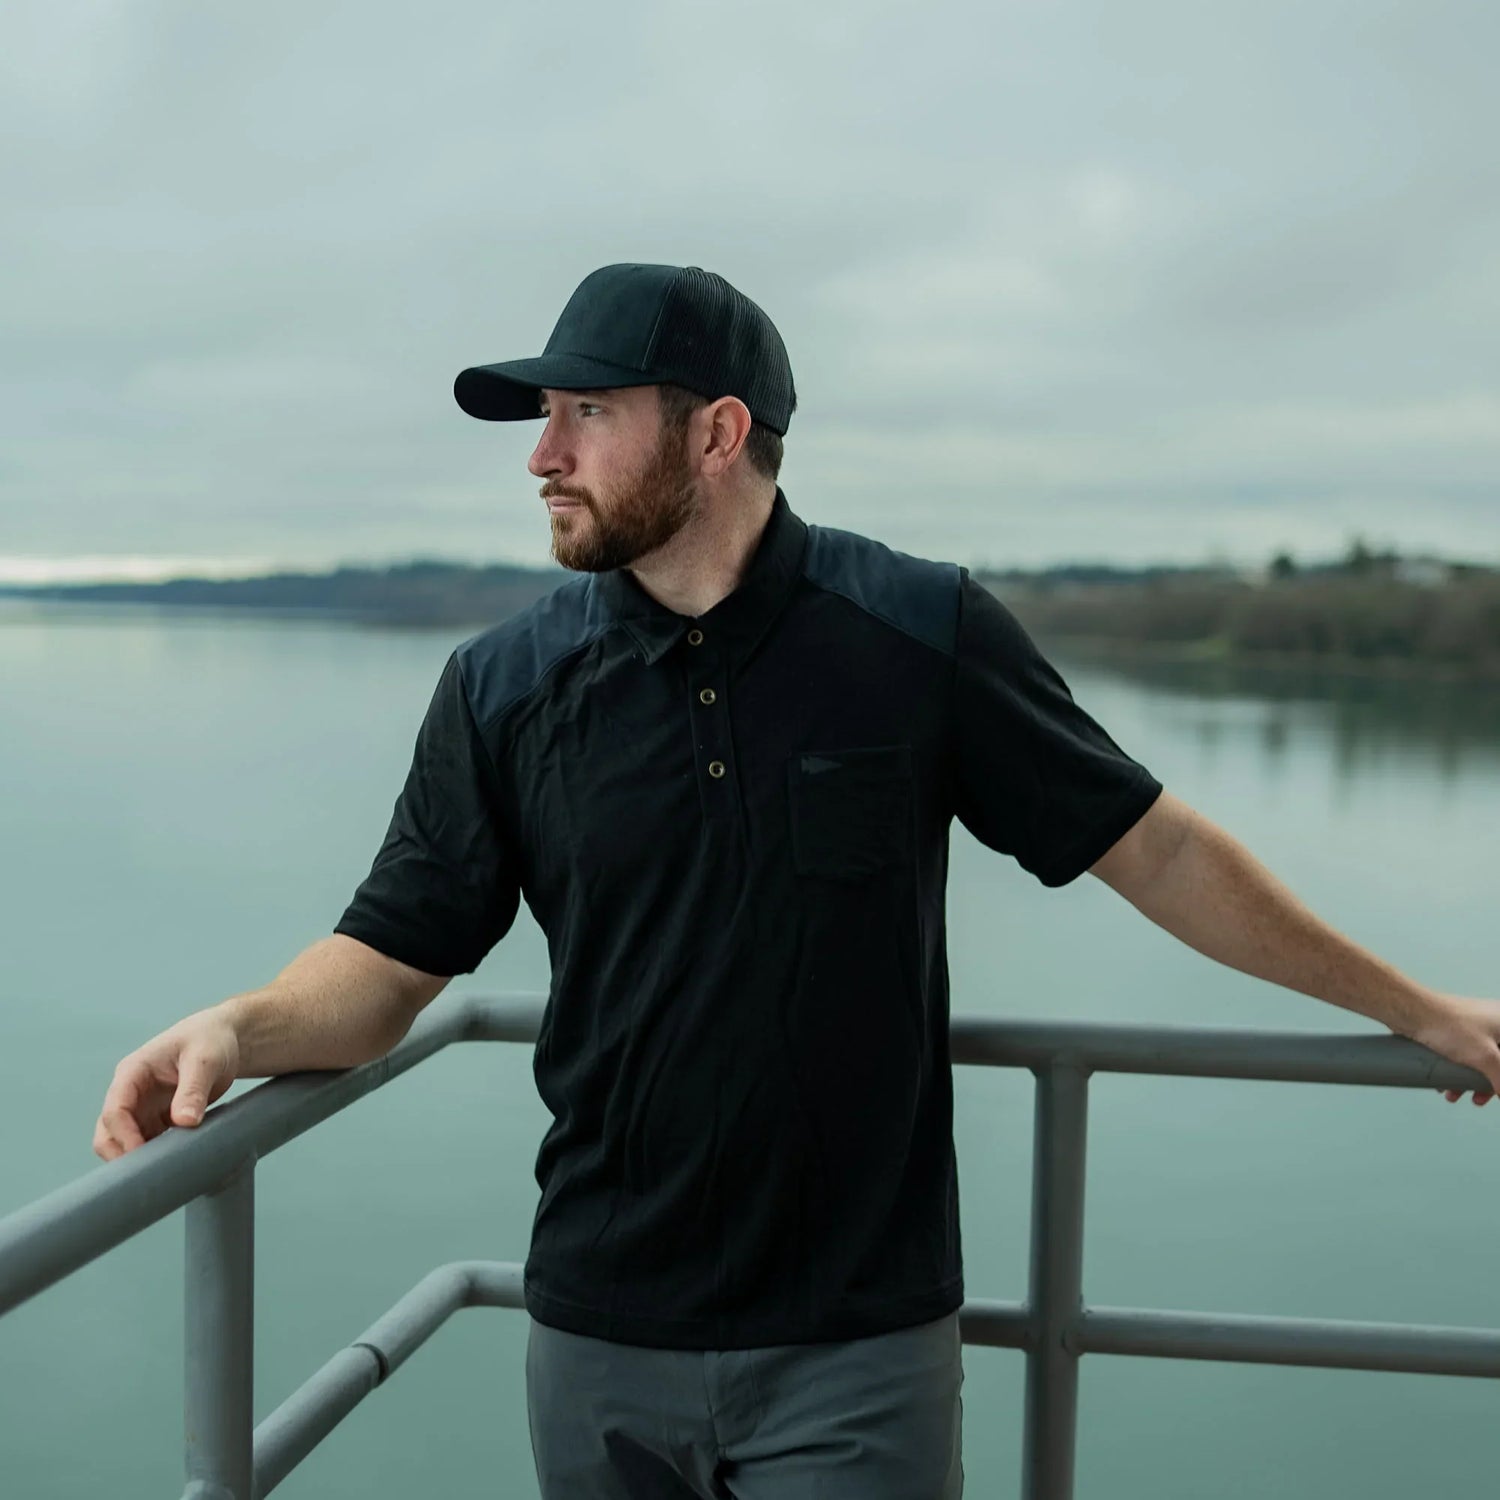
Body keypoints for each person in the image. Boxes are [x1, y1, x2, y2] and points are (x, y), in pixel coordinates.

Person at [94, 262, 1500, 1500]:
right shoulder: (504, 687)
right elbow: (393, 959)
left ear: (716, 433)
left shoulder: (918, 634)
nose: (542, 454)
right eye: (544, 418)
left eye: (586, 410)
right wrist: (241, 1027)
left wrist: (1414, 1003)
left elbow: (1158, 848)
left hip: (854, 1345)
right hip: (594, 1331)